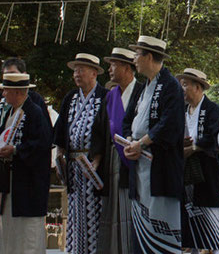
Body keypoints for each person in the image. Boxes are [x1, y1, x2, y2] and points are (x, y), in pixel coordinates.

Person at [122, 36, 185, 253]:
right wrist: (130, 141)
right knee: (140, 223)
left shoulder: (171, 86)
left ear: (149, 56)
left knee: (162, 222)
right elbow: (128, 120)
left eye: (137, 54)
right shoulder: (142, 88)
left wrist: (142, 142)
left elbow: (170, 124)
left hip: (161, 168)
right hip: (139, 164)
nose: (134, 59)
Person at [90, 48, 144, 253]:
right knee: (112, 211)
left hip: (134, 159)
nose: (110, 69)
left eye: (114, 65)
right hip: (112, 159)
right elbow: (100, 129)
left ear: (127, 68)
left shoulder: (141, 92)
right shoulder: (111, 96)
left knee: (132, 212)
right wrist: (96, 159)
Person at [54, 53, 109, 254]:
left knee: (95, 213)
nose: (77, 74)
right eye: (75, 70)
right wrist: (60, 157)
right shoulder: (71, 97)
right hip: (74, 166)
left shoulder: (104, 96)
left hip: (93, 166)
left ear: (94, 73)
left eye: (81, 70)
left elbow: (106, 133)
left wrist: (97, 161)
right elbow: (61, 132)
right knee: (75, 213)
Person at [0, 73, 52, 253]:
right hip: (11, 182)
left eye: (6, 90)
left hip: (29, 184)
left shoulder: (34, 112)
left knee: (28, 232)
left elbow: (42, 144)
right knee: (10, 231)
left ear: (17, 92)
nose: (4, 94)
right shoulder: (9, 112)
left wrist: (15, 150)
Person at [177, 68, 219, 253]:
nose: (182, 89)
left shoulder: (212, 110)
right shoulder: (182, 110)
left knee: (206, 212)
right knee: (186, 211)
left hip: (206, 169)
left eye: (186, 84)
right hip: (185, 168)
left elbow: (216, 136)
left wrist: (195, 147)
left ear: (198, 87)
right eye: (181, 84)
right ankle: (190, 247)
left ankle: (210, 247)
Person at [2, 57, 52, 129]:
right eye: (6, 75)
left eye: (13, 74)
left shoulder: (35, 100)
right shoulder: (3, 98)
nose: (10, 78)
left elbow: (44, 131)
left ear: (24, 74)